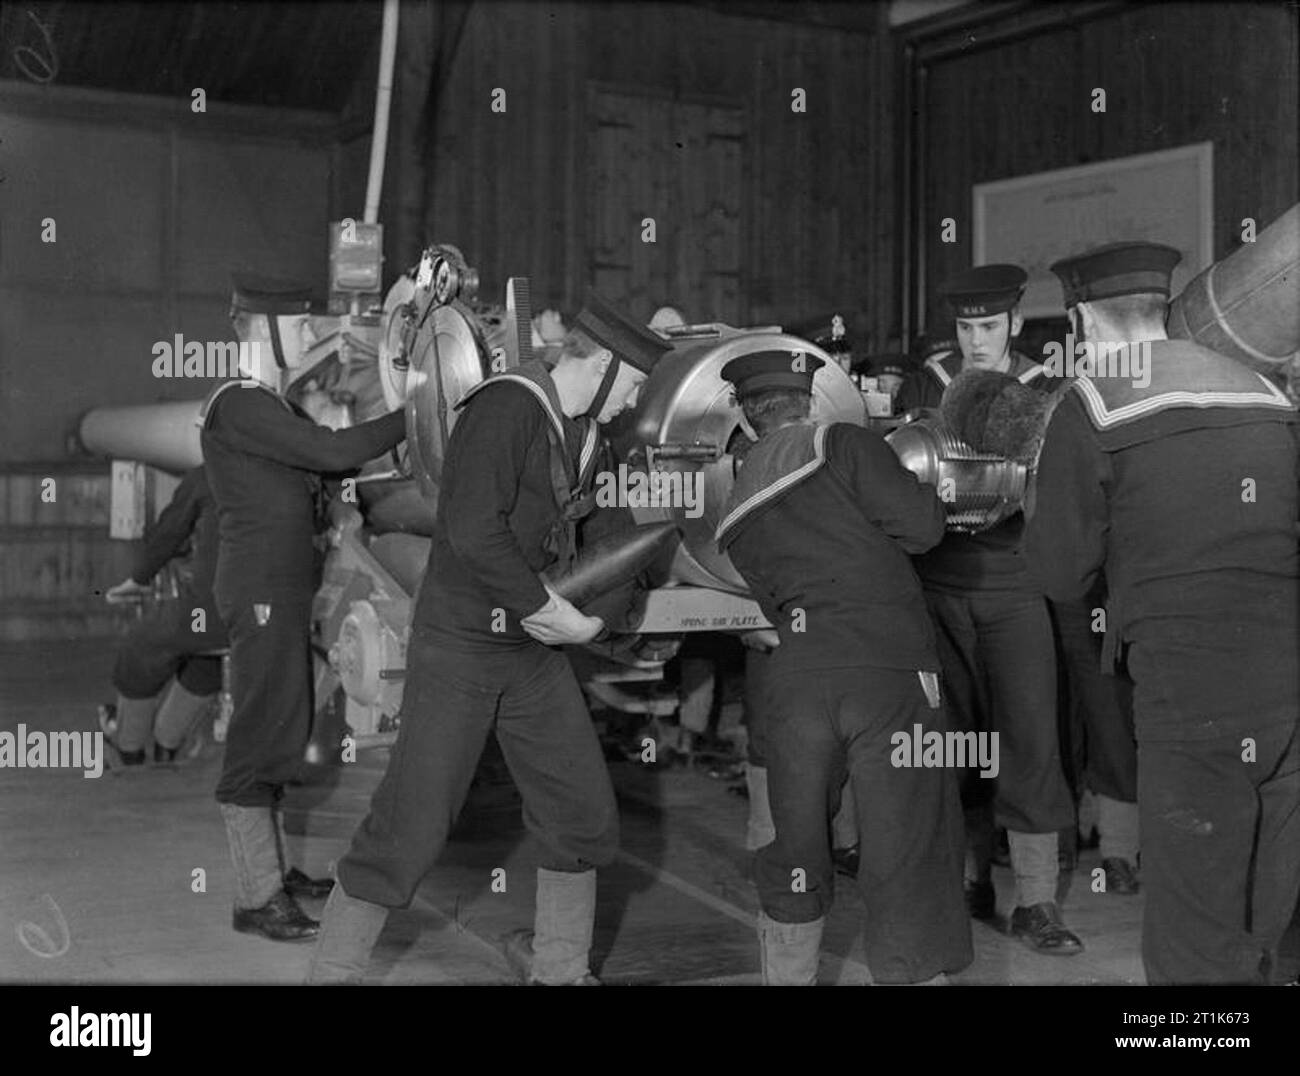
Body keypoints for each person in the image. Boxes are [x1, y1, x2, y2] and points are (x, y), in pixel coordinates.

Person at [306, 291, 672, 985]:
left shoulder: (590, 436)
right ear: (601, 365)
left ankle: (561, 972)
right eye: (631, 385)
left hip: (528, 655)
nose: (632, 403)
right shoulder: (504, 408)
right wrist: (543, 605)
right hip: (462, 647)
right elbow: (472, 527)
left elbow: (612, 535)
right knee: (410, 828)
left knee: (581, 813)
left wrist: (597, 617)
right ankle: (332, 974)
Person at [1026, 241, 1300, 984]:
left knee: (1191, 924)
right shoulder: (1265, 390)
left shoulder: (1094, 403)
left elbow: (1057, 573)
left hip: (1191, 696)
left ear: (1082, 318)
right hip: (1288, 685)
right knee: (1265, 908)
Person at [715, 350, 971, 985]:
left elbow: (774, 606)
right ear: (811, 401)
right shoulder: (842, 443)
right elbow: (925, 529)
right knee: (905, 840)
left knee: (798, 845)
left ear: (747, 418)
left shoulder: (735, 510)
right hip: (889, 676)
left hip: (797, 684)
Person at [201, 273, 407, 943]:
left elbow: (331, 466)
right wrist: (421, 412)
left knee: (283, 728)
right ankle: (256, 897)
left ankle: (273, 875)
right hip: (260, 592)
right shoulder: (239, 403)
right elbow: (335, 451)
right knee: (263, 734)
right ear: (266, 330)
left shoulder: (273, 407)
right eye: (303, 325)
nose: (312, 335)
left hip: (278, 590)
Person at [898, 265, 1081, 953]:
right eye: (964, 328)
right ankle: (968, 878)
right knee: (951, 740)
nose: (974, 341)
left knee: (1031, 738)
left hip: (1013, 586)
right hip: (937, 586)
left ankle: (1036, 901)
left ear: (1013, 325)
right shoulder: (926, 382)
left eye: (987, 327)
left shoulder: (1045, 389)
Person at [99, 466, 224, 767]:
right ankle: (168, 739)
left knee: (143, 645)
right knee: (208, 658)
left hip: (212, 612)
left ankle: (130, 746)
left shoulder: (208, 475)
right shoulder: (293, 472)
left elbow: (168, 535)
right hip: (272, 616)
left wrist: (138, 579)